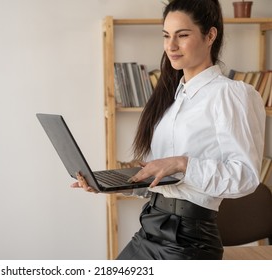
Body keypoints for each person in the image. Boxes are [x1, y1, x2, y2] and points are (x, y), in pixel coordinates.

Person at [71, 0, 266, 260]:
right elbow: (165, 180)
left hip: (188, 239)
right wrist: (111, 184)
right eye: (166, 36)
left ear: (210, 35)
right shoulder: (174, 98)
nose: (171, 46)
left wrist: (182, 163)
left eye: (182, 35)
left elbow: (246, 177)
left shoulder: (230, 94)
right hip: (151, 227)